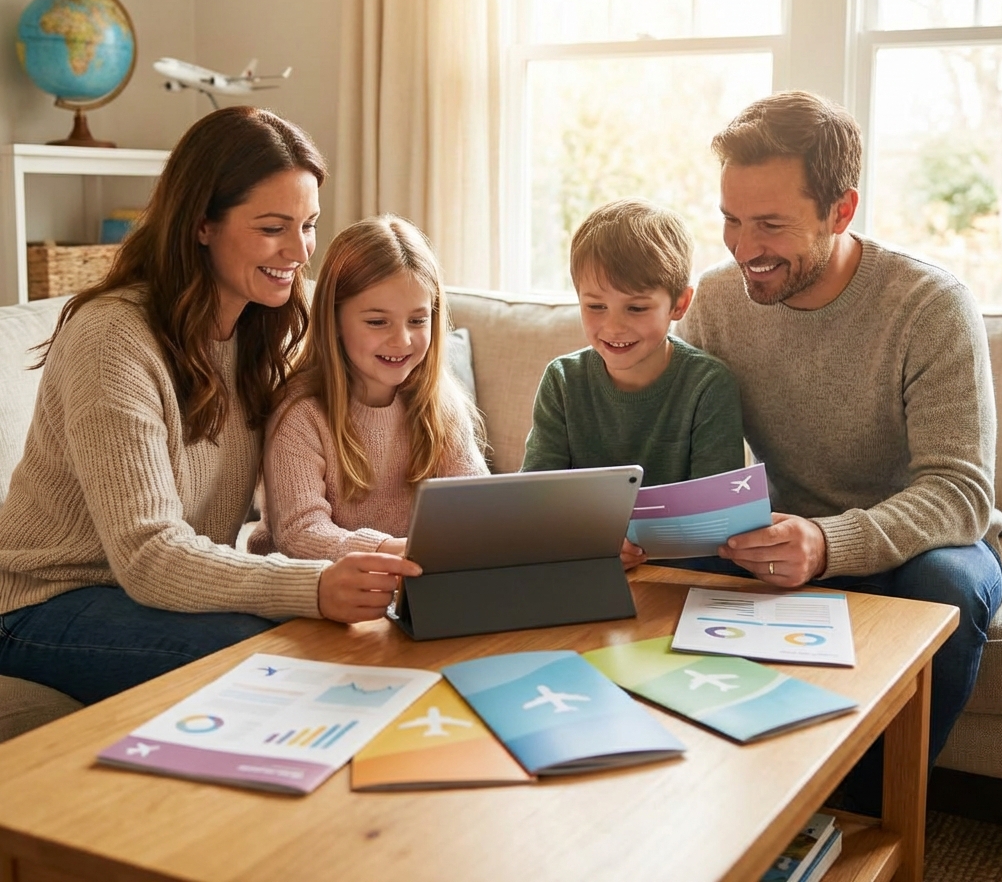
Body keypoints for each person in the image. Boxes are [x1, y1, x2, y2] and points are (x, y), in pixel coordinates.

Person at [0, 107, 422, 706]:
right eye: (273, 227)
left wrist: (379, 555)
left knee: (342, 643)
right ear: (202, 224)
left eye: (309, 225)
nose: (299, 251)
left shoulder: (266, 330)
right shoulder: (112, 340)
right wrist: (314, 585)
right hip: (44, 602)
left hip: (160, 591)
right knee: (277, 661)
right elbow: (149, 555)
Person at [681, 90, 1002, 807]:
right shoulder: (714, 300)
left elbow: (959, 493)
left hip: (926, 545)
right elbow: (668, 437)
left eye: (770, 225)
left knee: (949, 588)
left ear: (841, 210)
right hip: (781, 534)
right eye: (731, 221)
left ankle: (854, 812)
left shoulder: (928, 305)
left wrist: (829, 544)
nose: (744, 249)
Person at [521, 198, 745, 568]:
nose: (613, 327)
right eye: (595, 307)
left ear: (680, 304)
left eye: (636, 308)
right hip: (583, 567)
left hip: (683, 577)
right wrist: (593, 540)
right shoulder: (562, 381)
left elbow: (717, 520)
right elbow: (536, 500)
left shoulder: (708, 386)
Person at [249, 215, 487, 562]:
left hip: (408, 584)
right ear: (335, 321)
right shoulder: (299, 413)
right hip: (309, 590)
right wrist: (394, 552)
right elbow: (300, 532)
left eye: (418, 320)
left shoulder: (440, 405)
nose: (402, 340)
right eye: (377, 322)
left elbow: (476, 506)